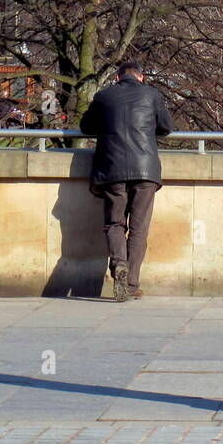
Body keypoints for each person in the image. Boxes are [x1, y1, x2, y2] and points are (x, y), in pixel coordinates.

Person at [79, 60, 174, 302]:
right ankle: (131, 283)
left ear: (118, 78)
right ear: (141, 77)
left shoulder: (104, 96)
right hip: (145, 171)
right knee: (139, 229)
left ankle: (119, 264)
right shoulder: (152, 95)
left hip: (113, 169)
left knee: (114, 223)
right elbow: (166, 127)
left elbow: (86, 126)